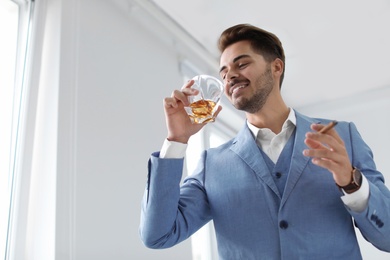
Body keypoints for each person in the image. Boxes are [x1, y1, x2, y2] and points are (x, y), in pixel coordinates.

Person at [139, 24, 390, 259]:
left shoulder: (342, 138)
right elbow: (158, 235)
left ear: (276, 67)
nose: (230, 77)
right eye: (224, 72)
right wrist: (177, 140)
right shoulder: (212, 165)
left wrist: (351, 183)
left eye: (242, 64)